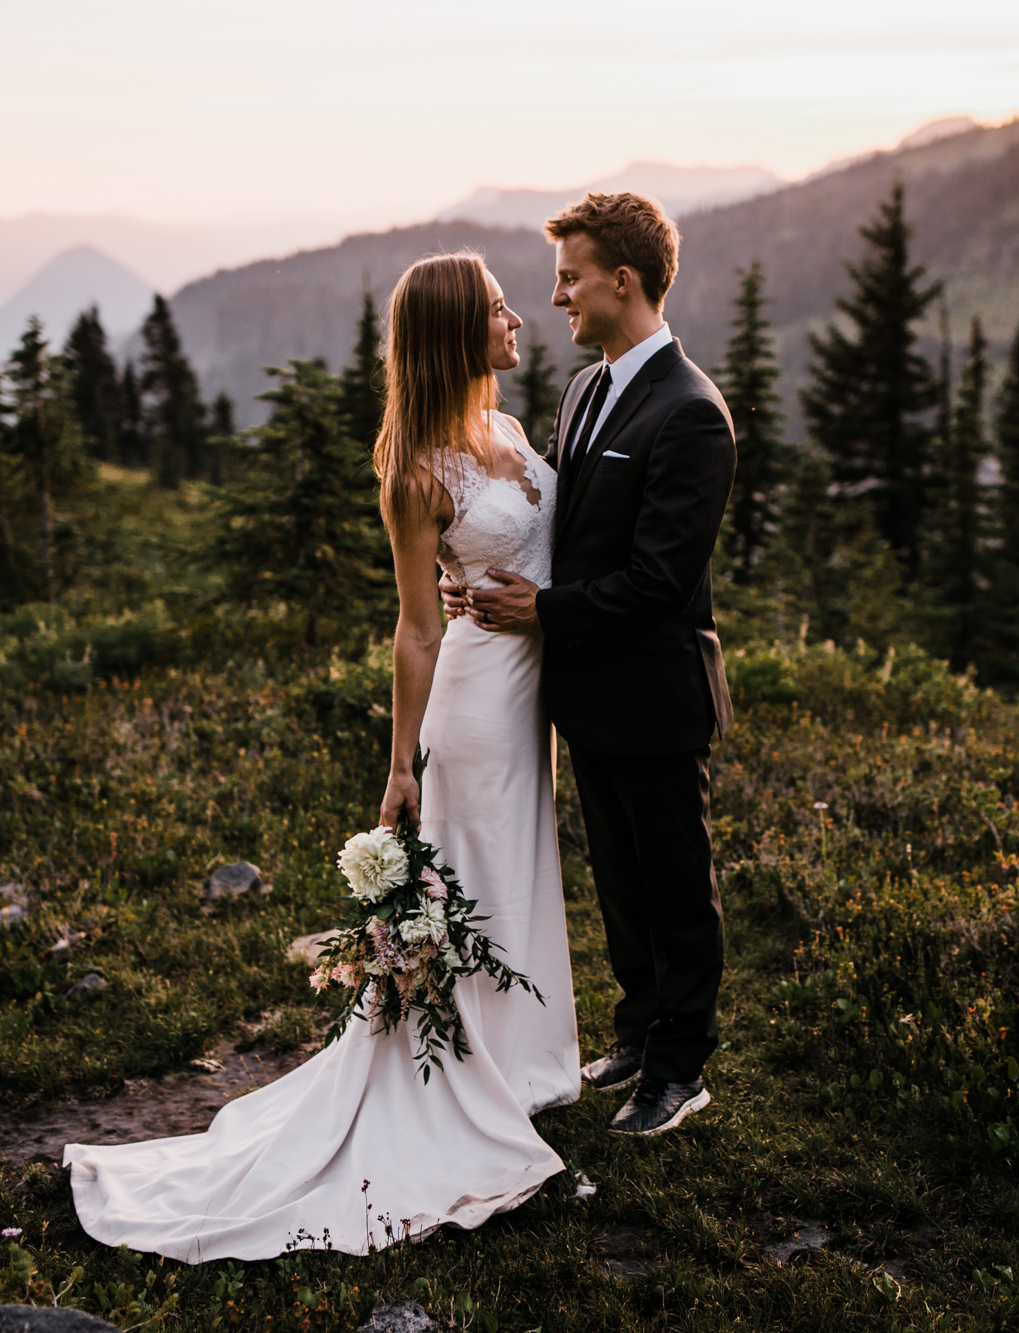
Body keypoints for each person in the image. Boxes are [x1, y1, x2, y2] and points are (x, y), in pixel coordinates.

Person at [63, 252, 579, 1262]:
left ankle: (526, 1062)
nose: (517, 315)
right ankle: (471, 1082)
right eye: (493, 309)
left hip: (531, 698)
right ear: (449, 334)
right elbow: (416, 627)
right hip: (472, 707)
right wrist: (398, 768)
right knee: (472, 881)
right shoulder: (416, 468)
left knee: (522, 873)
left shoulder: (510, 431)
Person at [465, 192, 736, 1137]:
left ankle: (680, 1066)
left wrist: (537, 610)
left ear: (624, 280)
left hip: (658, 692)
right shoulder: (585, 390)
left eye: (571, 276)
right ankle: (636, 1028)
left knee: (675, 882)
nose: (556, 296)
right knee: (620, 880)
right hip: (587, 692)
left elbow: (660, 581)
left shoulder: (693, 414)